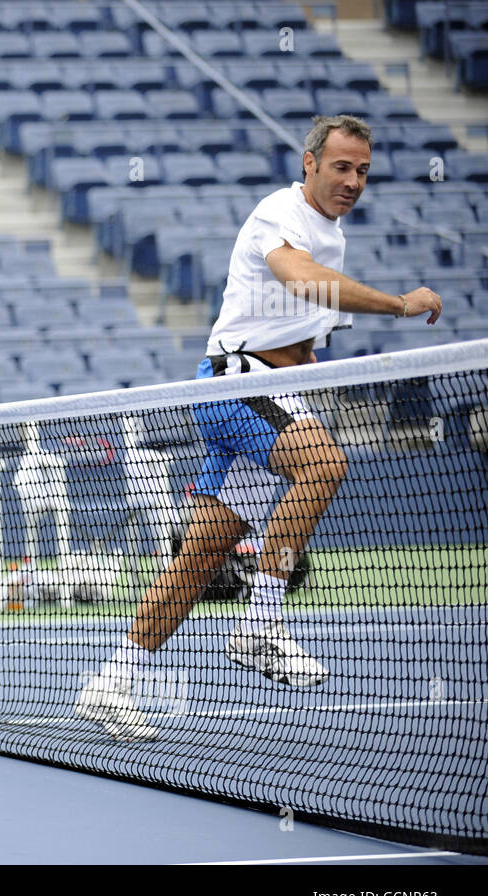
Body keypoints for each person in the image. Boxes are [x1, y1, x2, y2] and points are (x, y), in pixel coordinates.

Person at [76, 114, 442, 741]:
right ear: (310, 164)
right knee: (325, 464)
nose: (352, 181)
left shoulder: (335, 238)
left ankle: (111, 681)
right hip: (235, 385)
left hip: (272, 395)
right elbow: (301, 280)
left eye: (362, 171)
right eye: (341, 167)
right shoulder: (281, 212)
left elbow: (300, 336)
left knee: (198, 560)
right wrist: (400, 304)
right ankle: (262, 624)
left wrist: (308, 373)